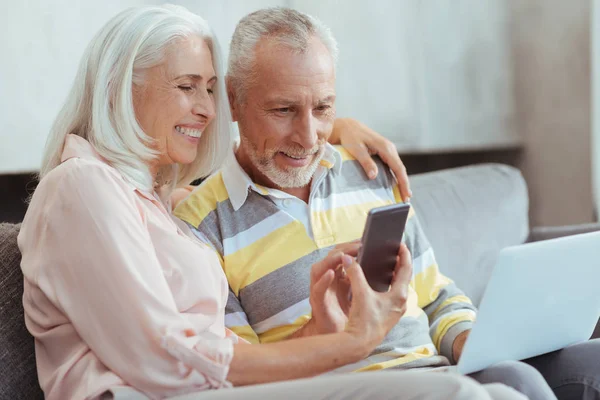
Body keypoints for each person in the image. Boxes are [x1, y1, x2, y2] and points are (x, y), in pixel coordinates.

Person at [16, 4, 527, 400]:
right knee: (462, 393)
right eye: (187, 86)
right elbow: (164, 357)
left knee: (506, 384)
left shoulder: (153, 201)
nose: (207, 108)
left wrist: (316, 330)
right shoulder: (82, 186)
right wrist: (346, 344)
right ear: (118, 89)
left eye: (211, 89)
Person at [174, 7, 600, 400]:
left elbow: (434, 296)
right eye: (283, 110)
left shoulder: (368, 171)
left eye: (323, 108)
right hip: (354, 390)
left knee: (552, 367)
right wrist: (323, 333)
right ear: (233, 99)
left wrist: (470, 340)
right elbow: (234, 374)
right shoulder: (201, 226)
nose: (308, 137)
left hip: (440, 371)